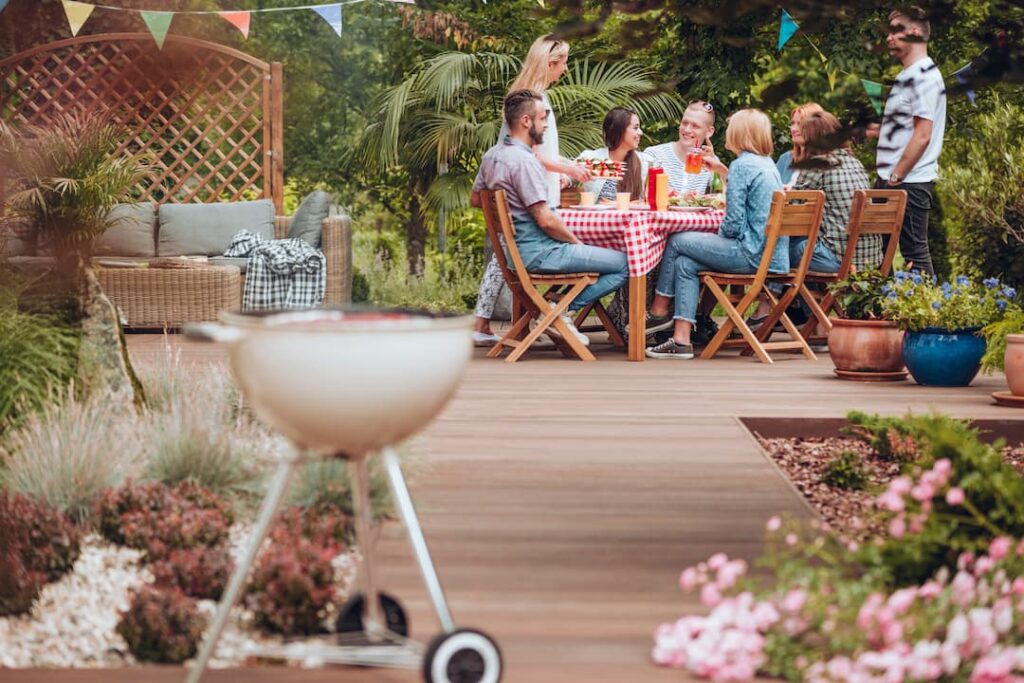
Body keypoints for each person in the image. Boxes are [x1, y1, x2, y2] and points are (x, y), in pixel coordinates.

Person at [470, 90, 629, 347]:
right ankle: (560, 311)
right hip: (541, 253)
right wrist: (576, 242)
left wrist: (510, 213)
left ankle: (556, 309)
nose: (546, 124)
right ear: (526, 121)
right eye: (543, 118)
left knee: (605, 257)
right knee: (628, 263)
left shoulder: (492, 156)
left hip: (515, 254)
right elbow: (546, 220)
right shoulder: (525, 162)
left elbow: (477, 199)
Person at [472, 35, 591, 345]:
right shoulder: (535, 102)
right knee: (514, 256)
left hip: (521, 189)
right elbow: (531, 154)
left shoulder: (525, 97)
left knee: (504, 257)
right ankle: (545, 316)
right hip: (528, 194)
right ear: (550, 63)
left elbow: (538, 153)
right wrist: (569, 170)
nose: (565, 69)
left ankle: (512, 323)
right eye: (563, 63)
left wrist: (563, 169)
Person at [643, 109, 785, 360]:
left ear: (739, 133)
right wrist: (721, 169)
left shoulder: (742, 165)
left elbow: (732, 225)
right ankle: (681, 340)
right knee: (685, 263)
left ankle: (658, 311)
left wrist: (712, 237)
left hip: (751, 254)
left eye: (730, 128)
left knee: (677, 240)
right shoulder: (766, 163)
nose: (727, 132)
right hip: (771, 256)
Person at [867, 6, 945, 276]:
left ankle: (925, 306)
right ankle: (882, 303)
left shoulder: (923, 75)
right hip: (891, 179)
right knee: (878, 252)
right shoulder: (906, 75)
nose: (888, 38)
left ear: (913, 32)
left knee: (914, 255)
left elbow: (923, 134)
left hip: (908, 181)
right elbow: (908, 128)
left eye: (894, 31)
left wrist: (897, 175)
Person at [793, 111, 875, 272]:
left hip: (837, 258)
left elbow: (794, 208)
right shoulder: (855, 162)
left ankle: (778, 289)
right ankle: (806, 289)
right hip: (869, 258)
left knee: (779, 250)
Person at [645, 101, 721, 195]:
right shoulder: (654, 155)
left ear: (709, 132)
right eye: (685, 123)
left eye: (695, 126)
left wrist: (717, 168)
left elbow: (724, 196)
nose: (687, 129)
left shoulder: (712, 162)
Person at [578, 107, 651, 202]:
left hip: (630, 212)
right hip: (597, 211)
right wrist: (566, 180)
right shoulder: (591, 158)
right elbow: (569, 174)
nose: (640, 132)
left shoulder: (646, 162)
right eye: (635, 128)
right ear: (619, 130)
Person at [775, 102, 824, 186]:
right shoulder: (785, 159)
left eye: (800, 124)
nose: (794, 129)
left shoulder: (826, 161)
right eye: (792, 123)